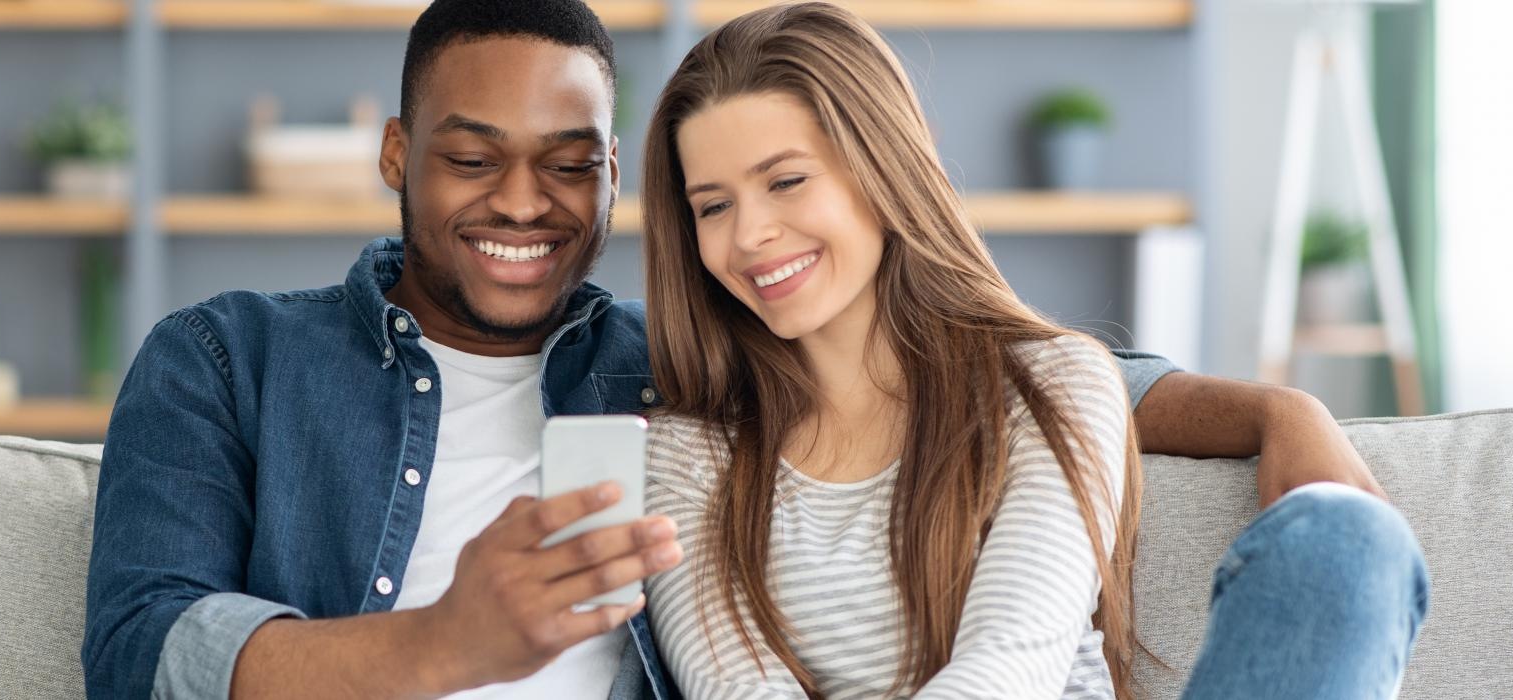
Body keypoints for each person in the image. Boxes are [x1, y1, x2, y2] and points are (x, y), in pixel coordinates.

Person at [82, 1, 1403, 698]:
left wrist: (1277, 411)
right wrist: (442, 646)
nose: (522, 206)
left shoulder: (655, 375)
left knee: (1340, 547)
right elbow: (144, 648)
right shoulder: (225, 358)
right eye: (471, 158)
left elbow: (1017, 374)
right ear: (395, 155)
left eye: (569, 166)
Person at [637, 4, 1428, 699]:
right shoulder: (689, 455)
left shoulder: (1051, 386)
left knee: (1349, 541)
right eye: (713, 205)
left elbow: (1009, 670)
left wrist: (1285, 411)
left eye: (785, 182)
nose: (749, 236)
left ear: (883, 169)